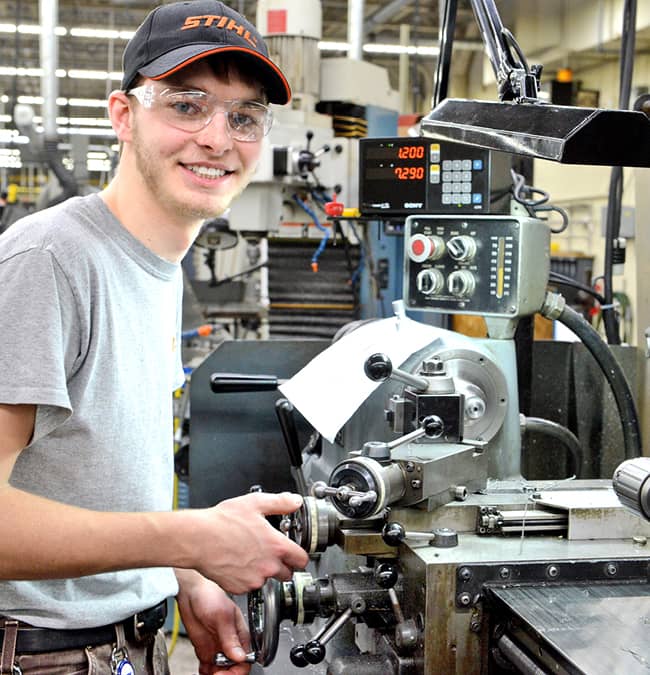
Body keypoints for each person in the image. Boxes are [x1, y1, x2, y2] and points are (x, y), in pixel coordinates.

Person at [0, 2, 309, 674]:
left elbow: (94, 477)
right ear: (123, 115)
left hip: (121, 642)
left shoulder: (156, 264)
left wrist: (181, 573)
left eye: (243, 116)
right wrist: (191, 535)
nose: (218, 139)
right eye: (187, 105)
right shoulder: (51, 261)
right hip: (40, 655)